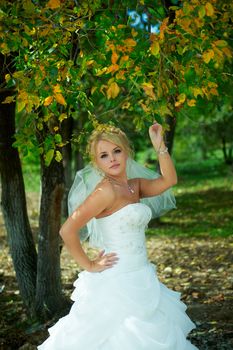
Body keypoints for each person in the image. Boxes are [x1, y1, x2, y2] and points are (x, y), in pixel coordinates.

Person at [38, 122, 198, 350]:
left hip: (142, 273)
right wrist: (90, 265)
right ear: (97, 162)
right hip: (117, 278)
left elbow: (169, 181)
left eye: (116, 151)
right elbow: (67, 230)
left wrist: (159, 145)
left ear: (127, 152)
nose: (112, 158)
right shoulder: (105, 191)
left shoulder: (135, 186)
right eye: (103, 155)